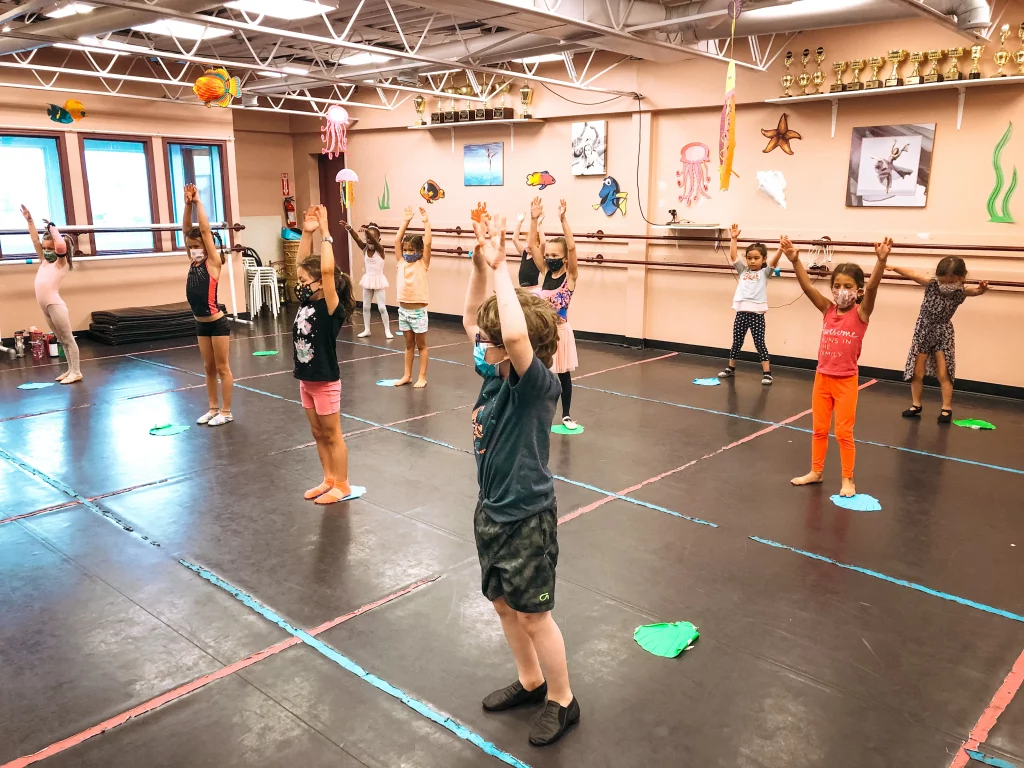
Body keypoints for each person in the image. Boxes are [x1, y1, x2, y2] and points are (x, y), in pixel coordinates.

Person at [463, 210, 580, 748]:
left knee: (535, 615)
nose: (480, 345)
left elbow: (510, 331)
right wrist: (478, 265)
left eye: (490, 343)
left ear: (515, 352)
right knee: (504, 604)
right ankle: (531, 681)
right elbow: (474, 319)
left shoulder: (535, 386)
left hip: (526, 517)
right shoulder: (494, 377)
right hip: (491, 511)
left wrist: (505, 271)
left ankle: (562, 698)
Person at [784, 235, 892, 497]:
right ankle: (816, 471)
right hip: (822, 377)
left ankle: (848, 479)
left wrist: (881, 262)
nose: (842, 290)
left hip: (845, 380)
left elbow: (875, 288)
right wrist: (796, 260)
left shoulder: (861, 313)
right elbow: (808, 287)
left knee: (843, 432)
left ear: (858, 290)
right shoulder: (828, 310)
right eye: (837, 285)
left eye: (848, 286)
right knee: (819, 429)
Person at [294, 206, 357, 504]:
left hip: (325, 380)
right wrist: (306, 232)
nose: (301, 284)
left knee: (333, 434)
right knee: (318, 433)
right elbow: (300, 265)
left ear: (320, 283)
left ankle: (342, 484)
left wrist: (326, 233)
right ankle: (328, 479)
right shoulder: (305, 303)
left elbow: (328, 270)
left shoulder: (330, 307)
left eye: (307, 281)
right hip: (306, 379)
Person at [888, 257, 989, 423]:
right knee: (917, 371)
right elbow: (912, 274)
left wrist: (982, 289)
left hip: (943, 331)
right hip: (923, 329)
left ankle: (946, 408)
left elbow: (976, 292)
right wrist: (895, 268)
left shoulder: (960, 291)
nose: (947, 285)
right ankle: (916, 404)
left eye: (952, 282)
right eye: (944, 281)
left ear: (961, 278)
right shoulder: (932, 284)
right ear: (938, 277)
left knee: (944, 372)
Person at [183, 184, 233, 426]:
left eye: (197, 246)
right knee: (208, 367)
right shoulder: (192, 262)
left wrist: (199, 203)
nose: (194, 250)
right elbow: (186, 230)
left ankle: (226, 411)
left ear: (207, 245)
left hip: (217, 324)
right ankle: (213, 408)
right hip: (200, 325)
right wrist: (186, 205)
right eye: (191, 247)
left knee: (222, 367)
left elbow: (203, 229)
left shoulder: (213, 262)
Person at [528, 196, 579, 431]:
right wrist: (533, 219)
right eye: (548, 256)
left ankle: (566, 415)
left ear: (565, 260)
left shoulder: (570, 277)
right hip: (544, 333)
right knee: (540, 373)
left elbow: (571, 246)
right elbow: (531, 246)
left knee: (563, 376)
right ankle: (539, 411)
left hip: (561, 333)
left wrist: (564, 220)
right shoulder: (545, 272)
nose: (550, 259)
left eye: (555, 257)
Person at [22, 206, 81, 384]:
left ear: (58, 250)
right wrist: (30, 221)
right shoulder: (44, 261)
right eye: (45, 248)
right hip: (45, 307)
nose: (46, 251)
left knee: (68, 338)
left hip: (55, 305)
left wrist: (52, 228)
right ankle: (70, 369)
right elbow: (34, 240)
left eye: (50, 248)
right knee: (61, 340)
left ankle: (76, 371)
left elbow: (61, 244)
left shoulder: (60, 264)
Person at [717, 223, 783, 384]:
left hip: (756, 315)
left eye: (756, 258)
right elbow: (733, 256)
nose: (752, 261)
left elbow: (774, 262)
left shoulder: (765, 272)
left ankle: (767, 373)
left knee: (759, 343)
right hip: (741, 312)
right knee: (737, 341)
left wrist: (781, 249)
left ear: (763, 259)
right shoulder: (743, 271)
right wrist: (734, 239)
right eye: (750, 258)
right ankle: (731, 368)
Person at [393, 206, 431, 387]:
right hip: (403, 311)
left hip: (418, 312)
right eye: (406, 250)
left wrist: (425, 222)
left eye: (411, 250)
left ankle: (422, 376)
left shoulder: (422, 264)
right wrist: (405, 221)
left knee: (421, 345)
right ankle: (407, 375)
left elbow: (429, 243)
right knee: (409, 345)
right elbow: (397, 240)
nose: (408, 253)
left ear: (420, 251)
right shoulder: (401, 262)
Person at [344, 219, 393, 340]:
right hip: (368, 279)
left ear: (378, 240)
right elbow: (357, 239)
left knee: (382, 307)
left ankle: (387, 330)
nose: (370, 241)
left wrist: (367, 231)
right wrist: (350, 229)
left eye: (372, 238)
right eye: (368, 239)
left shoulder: (381, 250)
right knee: (366, 307)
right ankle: (367, 329)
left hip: (378, 280)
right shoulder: (365, 249)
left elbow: (375, 242)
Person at [512, 211, 541, 288]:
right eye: (527, 242)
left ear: (537, 245)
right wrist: (519, 222)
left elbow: (543, 243)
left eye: (531, 243)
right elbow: (515, 239)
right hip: (522, 286)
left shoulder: (537, 256)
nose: (528, 245)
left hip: (533, 287)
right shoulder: (524, 253)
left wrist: (539, 224)